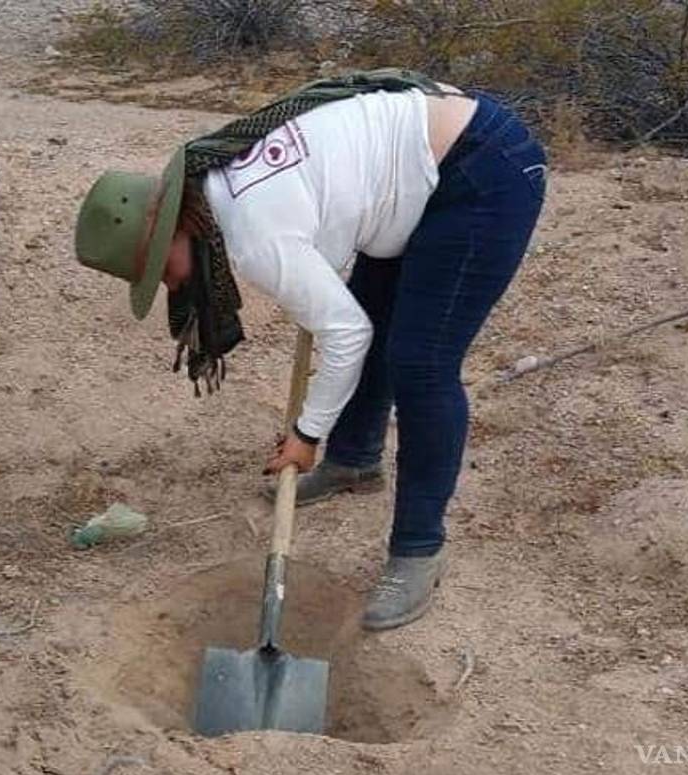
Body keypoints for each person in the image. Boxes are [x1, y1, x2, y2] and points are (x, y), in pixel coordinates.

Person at [74, 73, 546, 631]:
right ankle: (355, 460)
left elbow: (345, 336)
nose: (172, 288)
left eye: (162, 271)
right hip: (417, 169)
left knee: (421, 363)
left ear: (177, 230)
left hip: (480, 172)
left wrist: (305, 434)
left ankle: (419, 549)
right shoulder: (218, 176)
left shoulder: (253, 236)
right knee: (376, 315)